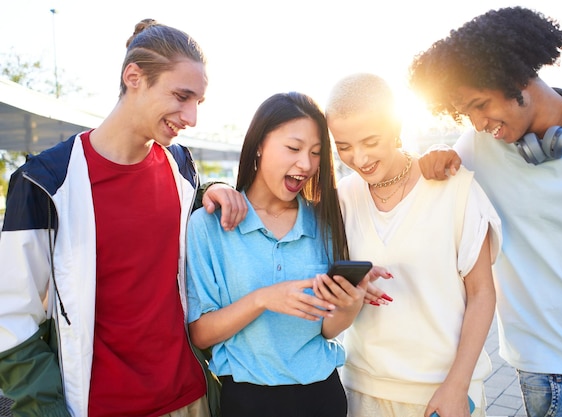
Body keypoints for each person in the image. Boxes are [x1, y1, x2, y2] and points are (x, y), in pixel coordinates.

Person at [0, 19, 242, 417]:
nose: (192, 117)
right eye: (182, 96)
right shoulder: (44, 183)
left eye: (198, 102)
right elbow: (11, 318)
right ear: (134, 77)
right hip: (98, 407)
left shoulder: (182, 169)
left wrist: (211, 188)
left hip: (192, 399)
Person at [409, 6, 562, 417]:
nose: (475, 123)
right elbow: (406, 186)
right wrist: (433, 158)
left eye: (480, 104)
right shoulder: (474, 150)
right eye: (464, 113)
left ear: (518, 78)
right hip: (554, 374)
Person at [186, 91, 379, 417]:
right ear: (259, 144)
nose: (305, 164)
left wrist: (350, 303)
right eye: (293, 148)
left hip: (322, 396)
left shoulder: (325, 223)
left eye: (316, 153)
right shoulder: (210, 224)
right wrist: (263, 298)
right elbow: (200, 332)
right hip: (246, 402)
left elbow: (329, 330)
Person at [319, 73, 501, 417]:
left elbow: (482, 293)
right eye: (343, 146)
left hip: (443, 393)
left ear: (396, 124)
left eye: (370, 141)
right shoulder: (343, 197)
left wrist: (456, 386)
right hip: (363, 389)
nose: (358, 158)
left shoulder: (455, 188)